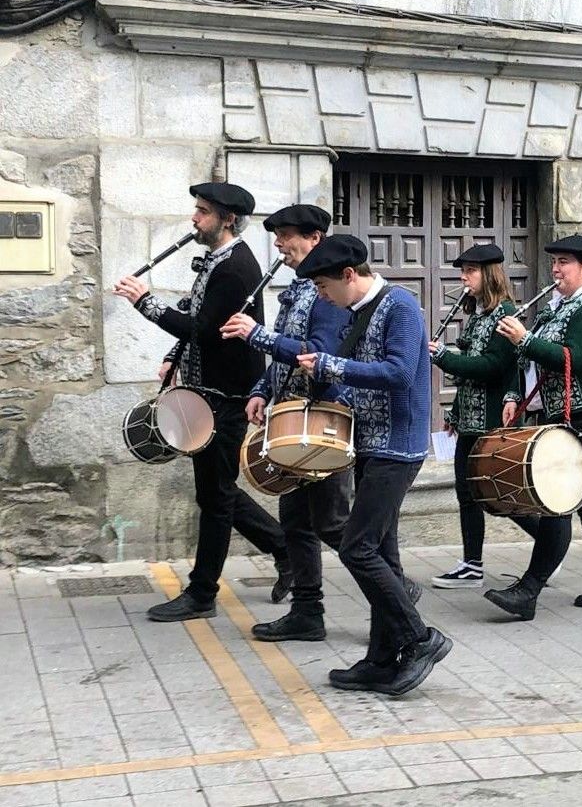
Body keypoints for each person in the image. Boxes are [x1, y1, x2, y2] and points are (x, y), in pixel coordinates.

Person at [113, 182, 289, 623]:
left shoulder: (236, 267)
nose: (194, 218)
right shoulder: (216, 260)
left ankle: (202, 592)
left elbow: (204, 330)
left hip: (227, 398)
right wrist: (173, 358)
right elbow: (197, 314)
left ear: (227, 219)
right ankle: (285, 549)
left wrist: (144, 301)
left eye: (203, 211)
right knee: (216, 490)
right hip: (205, 393)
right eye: (196, 209)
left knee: (214, 498)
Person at [295, 235, 447, 696]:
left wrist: (331, 367)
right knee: (383, 554)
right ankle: (381, 660)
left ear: (349, 276)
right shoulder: (359, 312)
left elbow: (400, 372)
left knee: (357, 548)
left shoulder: (399, 305)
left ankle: (418, 639)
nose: (322, 297)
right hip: (371, 444)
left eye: (323, 287)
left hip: (398, 447)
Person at [220, 203, 352, 642]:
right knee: (295, 522)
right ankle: (307, 613)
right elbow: (282, 361)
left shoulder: (328, 292)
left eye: (287, 235)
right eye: (276, 235)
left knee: (333, 522)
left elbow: (317, 353)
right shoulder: (297, 291)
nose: (278, 243)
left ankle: (394, 590)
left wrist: (256, 335)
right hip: (291, 418)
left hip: (325, 421)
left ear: (315, 239)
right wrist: (261, 390)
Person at [484, 235, 582, 620]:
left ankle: (528, 590)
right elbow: (529, 359)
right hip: (567, 417)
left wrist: (525, 337)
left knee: (558, 498)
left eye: (563, 262)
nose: (555, 269)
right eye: (554, 262)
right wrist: (514, 396)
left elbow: (575, 360)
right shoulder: (560, 306)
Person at [427, 244, 537, 589]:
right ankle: (471, 564)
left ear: (488, 274)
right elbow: (469, 377)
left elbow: (492, 368)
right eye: (463, 271)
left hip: (492, 421)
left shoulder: (506, 317)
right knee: (467, 492)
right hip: (470, 420)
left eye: (470, 272)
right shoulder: (478, 314)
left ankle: (552, 543)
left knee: (499, 495)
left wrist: (443, 356)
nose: (463, 278)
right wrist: (455, 413)